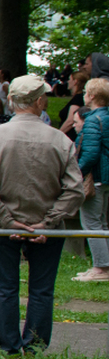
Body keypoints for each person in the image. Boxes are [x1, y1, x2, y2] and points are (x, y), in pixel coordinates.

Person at [0, 75, 86, 353]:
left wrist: (7, 220)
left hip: (4, 227)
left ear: (11, 101)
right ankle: (35, 348)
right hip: (45, 228)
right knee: (42, 290)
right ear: (40, 101)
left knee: (5, 289)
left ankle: (9, 347)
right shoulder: (60, 140)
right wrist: (47, 222)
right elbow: (75, 191)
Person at [73, 78, 109, 281]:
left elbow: (92, 152)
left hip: (96, 177)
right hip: (105, 177)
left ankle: (100, 269)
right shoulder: (106, 116)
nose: (84, 94)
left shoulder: (94, 119)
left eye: (86, 91)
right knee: (101, 221)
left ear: (92, 96)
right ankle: (104, 265)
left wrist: (77, 172)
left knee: (91, 221)